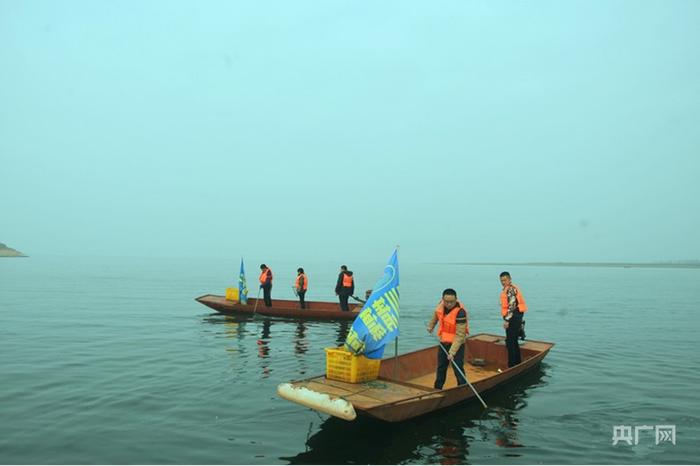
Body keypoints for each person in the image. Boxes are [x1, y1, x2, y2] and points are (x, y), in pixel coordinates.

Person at [426, 288, 469, 389]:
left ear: (456, 299)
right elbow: (436, 316)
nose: (449, 304)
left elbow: (460, 335)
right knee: (441, 367)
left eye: (451, 302)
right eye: (446, 302)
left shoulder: (460, 313)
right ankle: (437, 388)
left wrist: (452, 352)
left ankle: (463, 387)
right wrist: (431, 326)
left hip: (457, 344)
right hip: (443, 341)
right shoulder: (440, 306)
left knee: (457, 366)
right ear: (442, 299)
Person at [499, 271, 528, 367]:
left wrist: (507, 320)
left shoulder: (510, 290)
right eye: (501, 280)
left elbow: (512, 306)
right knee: (513, 340)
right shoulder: (508, 289)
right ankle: (517, 362)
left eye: (505, 280)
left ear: (510, 279)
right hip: (515, 316)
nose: (503, 282)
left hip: (513, 317)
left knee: (510, 342)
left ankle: (511, 365)